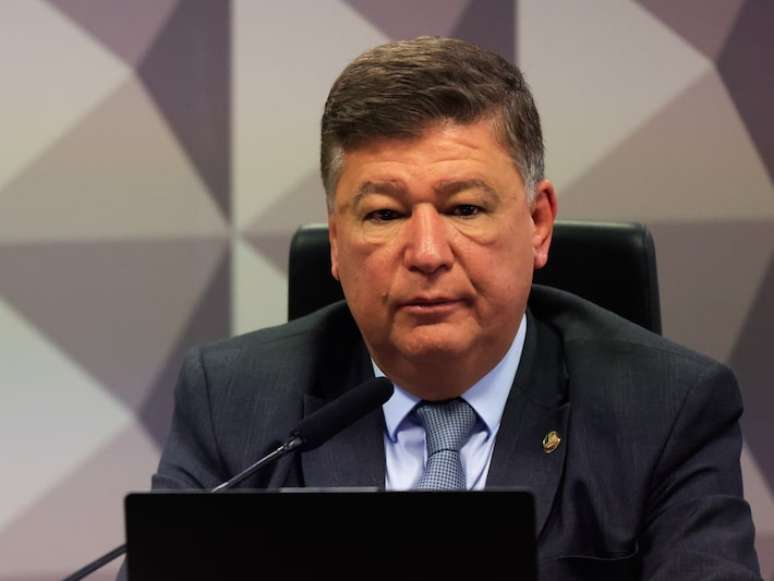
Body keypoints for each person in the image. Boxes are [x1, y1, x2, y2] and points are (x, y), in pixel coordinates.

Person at [135, 37, 761, 579]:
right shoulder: (232, 404)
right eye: (385, 214)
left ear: (538, 223)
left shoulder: (666, 410)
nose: (428, 253)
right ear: (336, 242)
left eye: (465, 208)